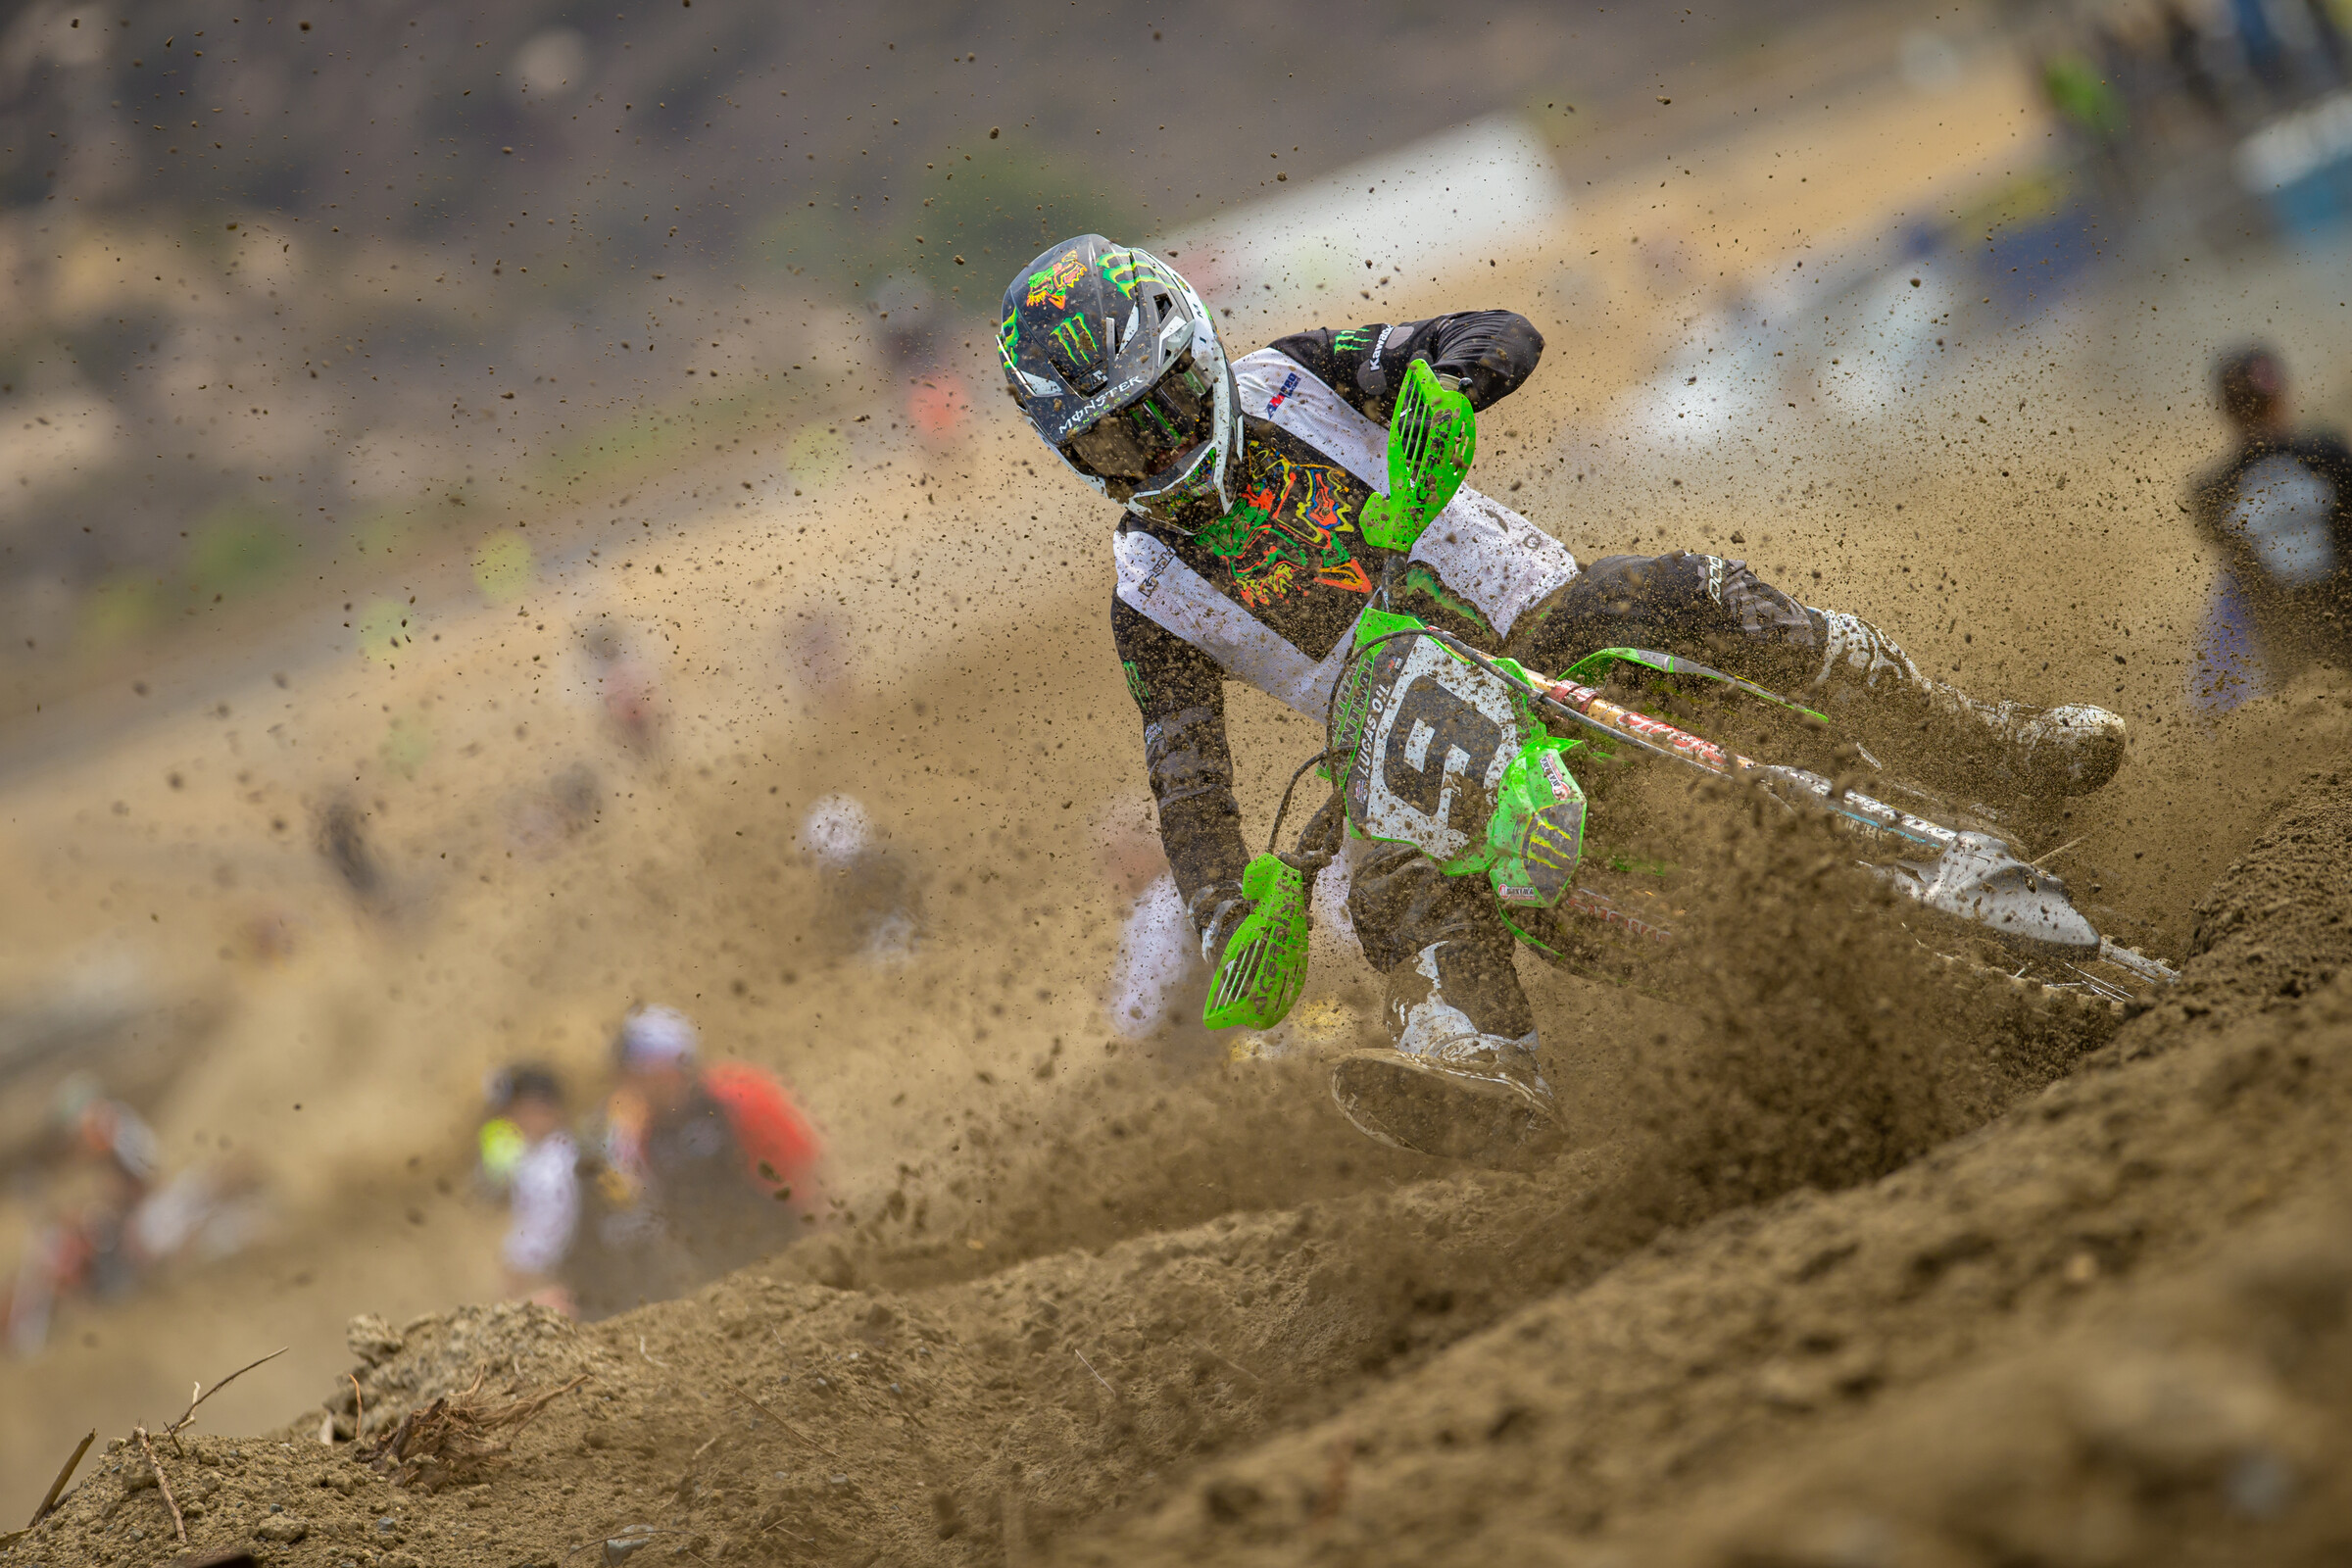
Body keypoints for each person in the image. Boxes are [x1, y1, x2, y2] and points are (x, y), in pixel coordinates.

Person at [997, 234, 2129, 1158]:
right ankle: (1481, 1053)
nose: (1152, 446)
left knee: (1686, 588)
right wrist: (1221, 909)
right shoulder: (1145, 589)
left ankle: (1987, 745)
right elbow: (1186, 779)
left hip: (1552, 624)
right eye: (1112, 438)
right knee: (1383, 871)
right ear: (1074, 454)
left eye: (1164, 406)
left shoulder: (1295, 375)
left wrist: (1446, 381)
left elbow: (1498, 330)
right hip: (1414, 743)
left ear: (1197, 353)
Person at [595, 1006, 820, 1290]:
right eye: (627, 1075)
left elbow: (803, 1168)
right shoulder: (640, 1130)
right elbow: (651, 1205)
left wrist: (816, 1244)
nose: (630, 1085)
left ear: (671, 1067)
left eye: (638, 1072)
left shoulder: (739, 1098)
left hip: (786, 1251)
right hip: (719, 1274)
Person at [2186, 345, 2352, 710]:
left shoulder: (2213, 489)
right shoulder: (2329, 453)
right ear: (2281, 397)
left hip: (2287, 658)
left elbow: (2235, 582)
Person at [477, 1064, 580, 1313]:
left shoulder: (550, 1166)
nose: (507, 1119)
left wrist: (508, 1301)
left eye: (512, 1109)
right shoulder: (557, 1152)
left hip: (575, 1288)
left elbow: (535, 1247)